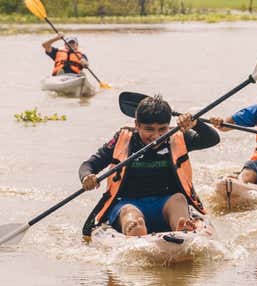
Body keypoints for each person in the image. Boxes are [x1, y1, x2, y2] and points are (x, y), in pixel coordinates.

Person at [79, 95, 220, 237]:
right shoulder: (123, 139)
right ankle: (134, 230)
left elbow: (212, 139)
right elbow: (89, 165)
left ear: (168, 126)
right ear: (137, 125)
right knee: (130, 212)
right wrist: (87, 177)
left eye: (162, 129)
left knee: (178, 199)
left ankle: (182, 228)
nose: (156, 136)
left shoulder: (177, 136)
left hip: (167, 204)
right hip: (128, 203)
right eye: (149, 129)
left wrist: (196, 123)